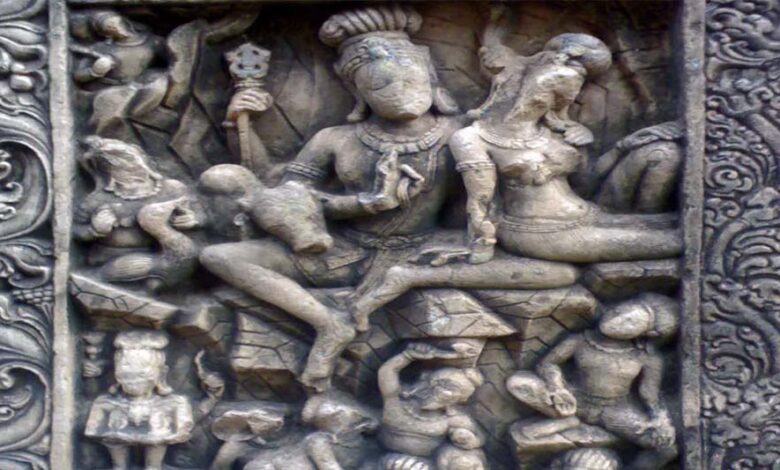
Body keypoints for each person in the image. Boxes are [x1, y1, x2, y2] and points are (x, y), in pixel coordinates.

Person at [448, 33, 682, 263]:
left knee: (675, 224)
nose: (530, 99)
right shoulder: (472, 138)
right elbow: (481, 201)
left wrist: (623, 146)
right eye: (537, 88)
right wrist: (482, 245)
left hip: (586, 214)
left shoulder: (556, 131)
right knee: (675, 242)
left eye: (551, 96)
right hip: (537, 231)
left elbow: (587, 184)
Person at [506, 294, 679, 469]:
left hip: (614, 410)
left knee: (666, 449)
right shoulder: (579, 340)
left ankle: (567, 421)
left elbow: (649, 392)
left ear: (647, 333)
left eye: (630, 323)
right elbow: (548, 363)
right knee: (519, 382)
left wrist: (660, 418)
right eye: (618, 311)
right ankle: (567, 418)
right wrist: (557, 387)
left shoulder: (647, 357)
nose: (616, 320)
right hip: (574, 399)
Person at [377, 343, 487, 470]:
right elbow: (387, 372)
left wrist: (469, 440)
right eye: (439, 383)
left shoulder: (453, 419)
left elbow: (479, 438)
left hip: (426, 464)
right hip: (382, 457)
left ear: (460, 399)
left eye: (451, 389)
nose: (440, 390)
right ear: (425, 381)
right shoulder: (395, 399)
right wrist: (407, 356)